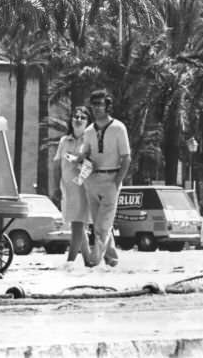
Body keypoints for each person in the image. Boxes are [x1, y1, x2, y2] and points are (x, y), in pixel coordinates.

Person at [79, 88, 131, 269]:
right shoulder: (88, 131)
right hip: (92, 180)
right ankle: (112, 259)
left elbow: (126, 157)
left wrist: (117, 182)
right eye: (94, 105)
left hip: (111, 178)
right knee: (98, 223)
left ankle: (94, 261)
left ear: (107, 105)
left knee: (103, 225)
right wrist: (81, 161)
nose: (97, 108)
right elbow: (85, 154)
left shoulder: (118, 128)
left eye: (100, 104)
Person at [52, 106, 93, 268]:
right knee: (77, 225)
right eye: (76, 116)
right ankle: (89, 261)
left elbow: (91, 166)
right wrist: (56, 186)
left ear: (88, 122)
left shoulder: (90, 141)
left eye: (83, 117)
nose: (78, 119)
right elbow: (56, 165)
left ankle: (70, 262)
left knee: (77, 225)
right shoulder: (64, 141)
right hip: (67, 190)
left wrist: (79, 162)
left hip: (83, 189)